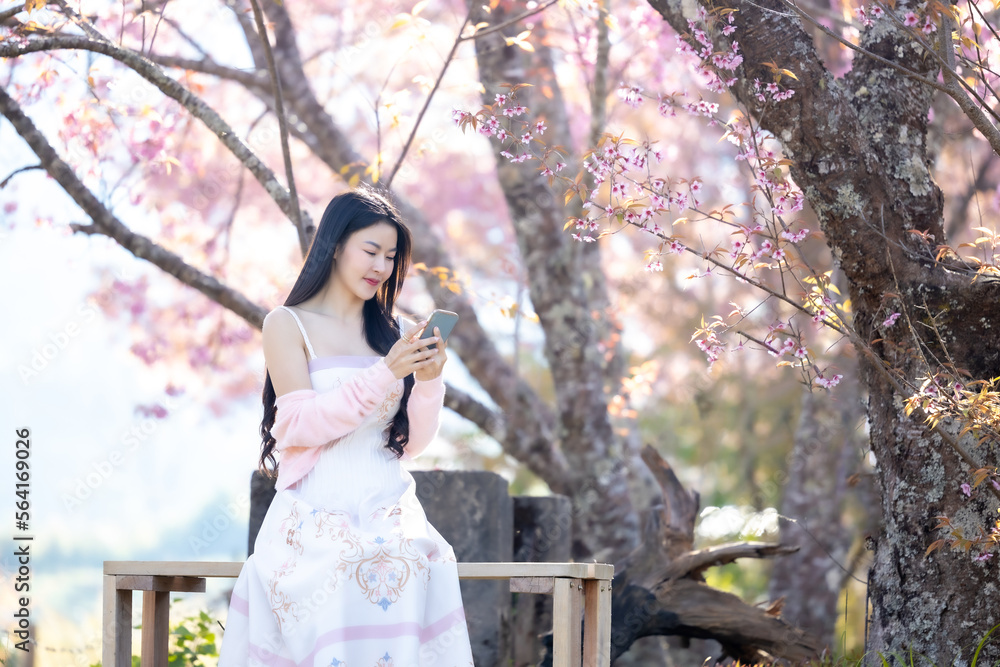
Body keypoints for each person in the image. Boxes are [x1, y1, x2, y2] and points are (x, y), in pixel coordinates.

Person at [218, 187, 475, 667]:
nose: (380, 266)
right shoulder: (286, 324)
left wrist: (428, 382)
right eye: (371, 250)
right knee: (343, 565)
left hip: (388, 505)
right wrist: (384, 374)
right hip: (313, 508)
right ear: (335, 246)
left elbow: (410, 446)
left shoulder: (393, 333)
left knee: (414, 559)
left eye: (391, 256)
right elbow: (296, 426)